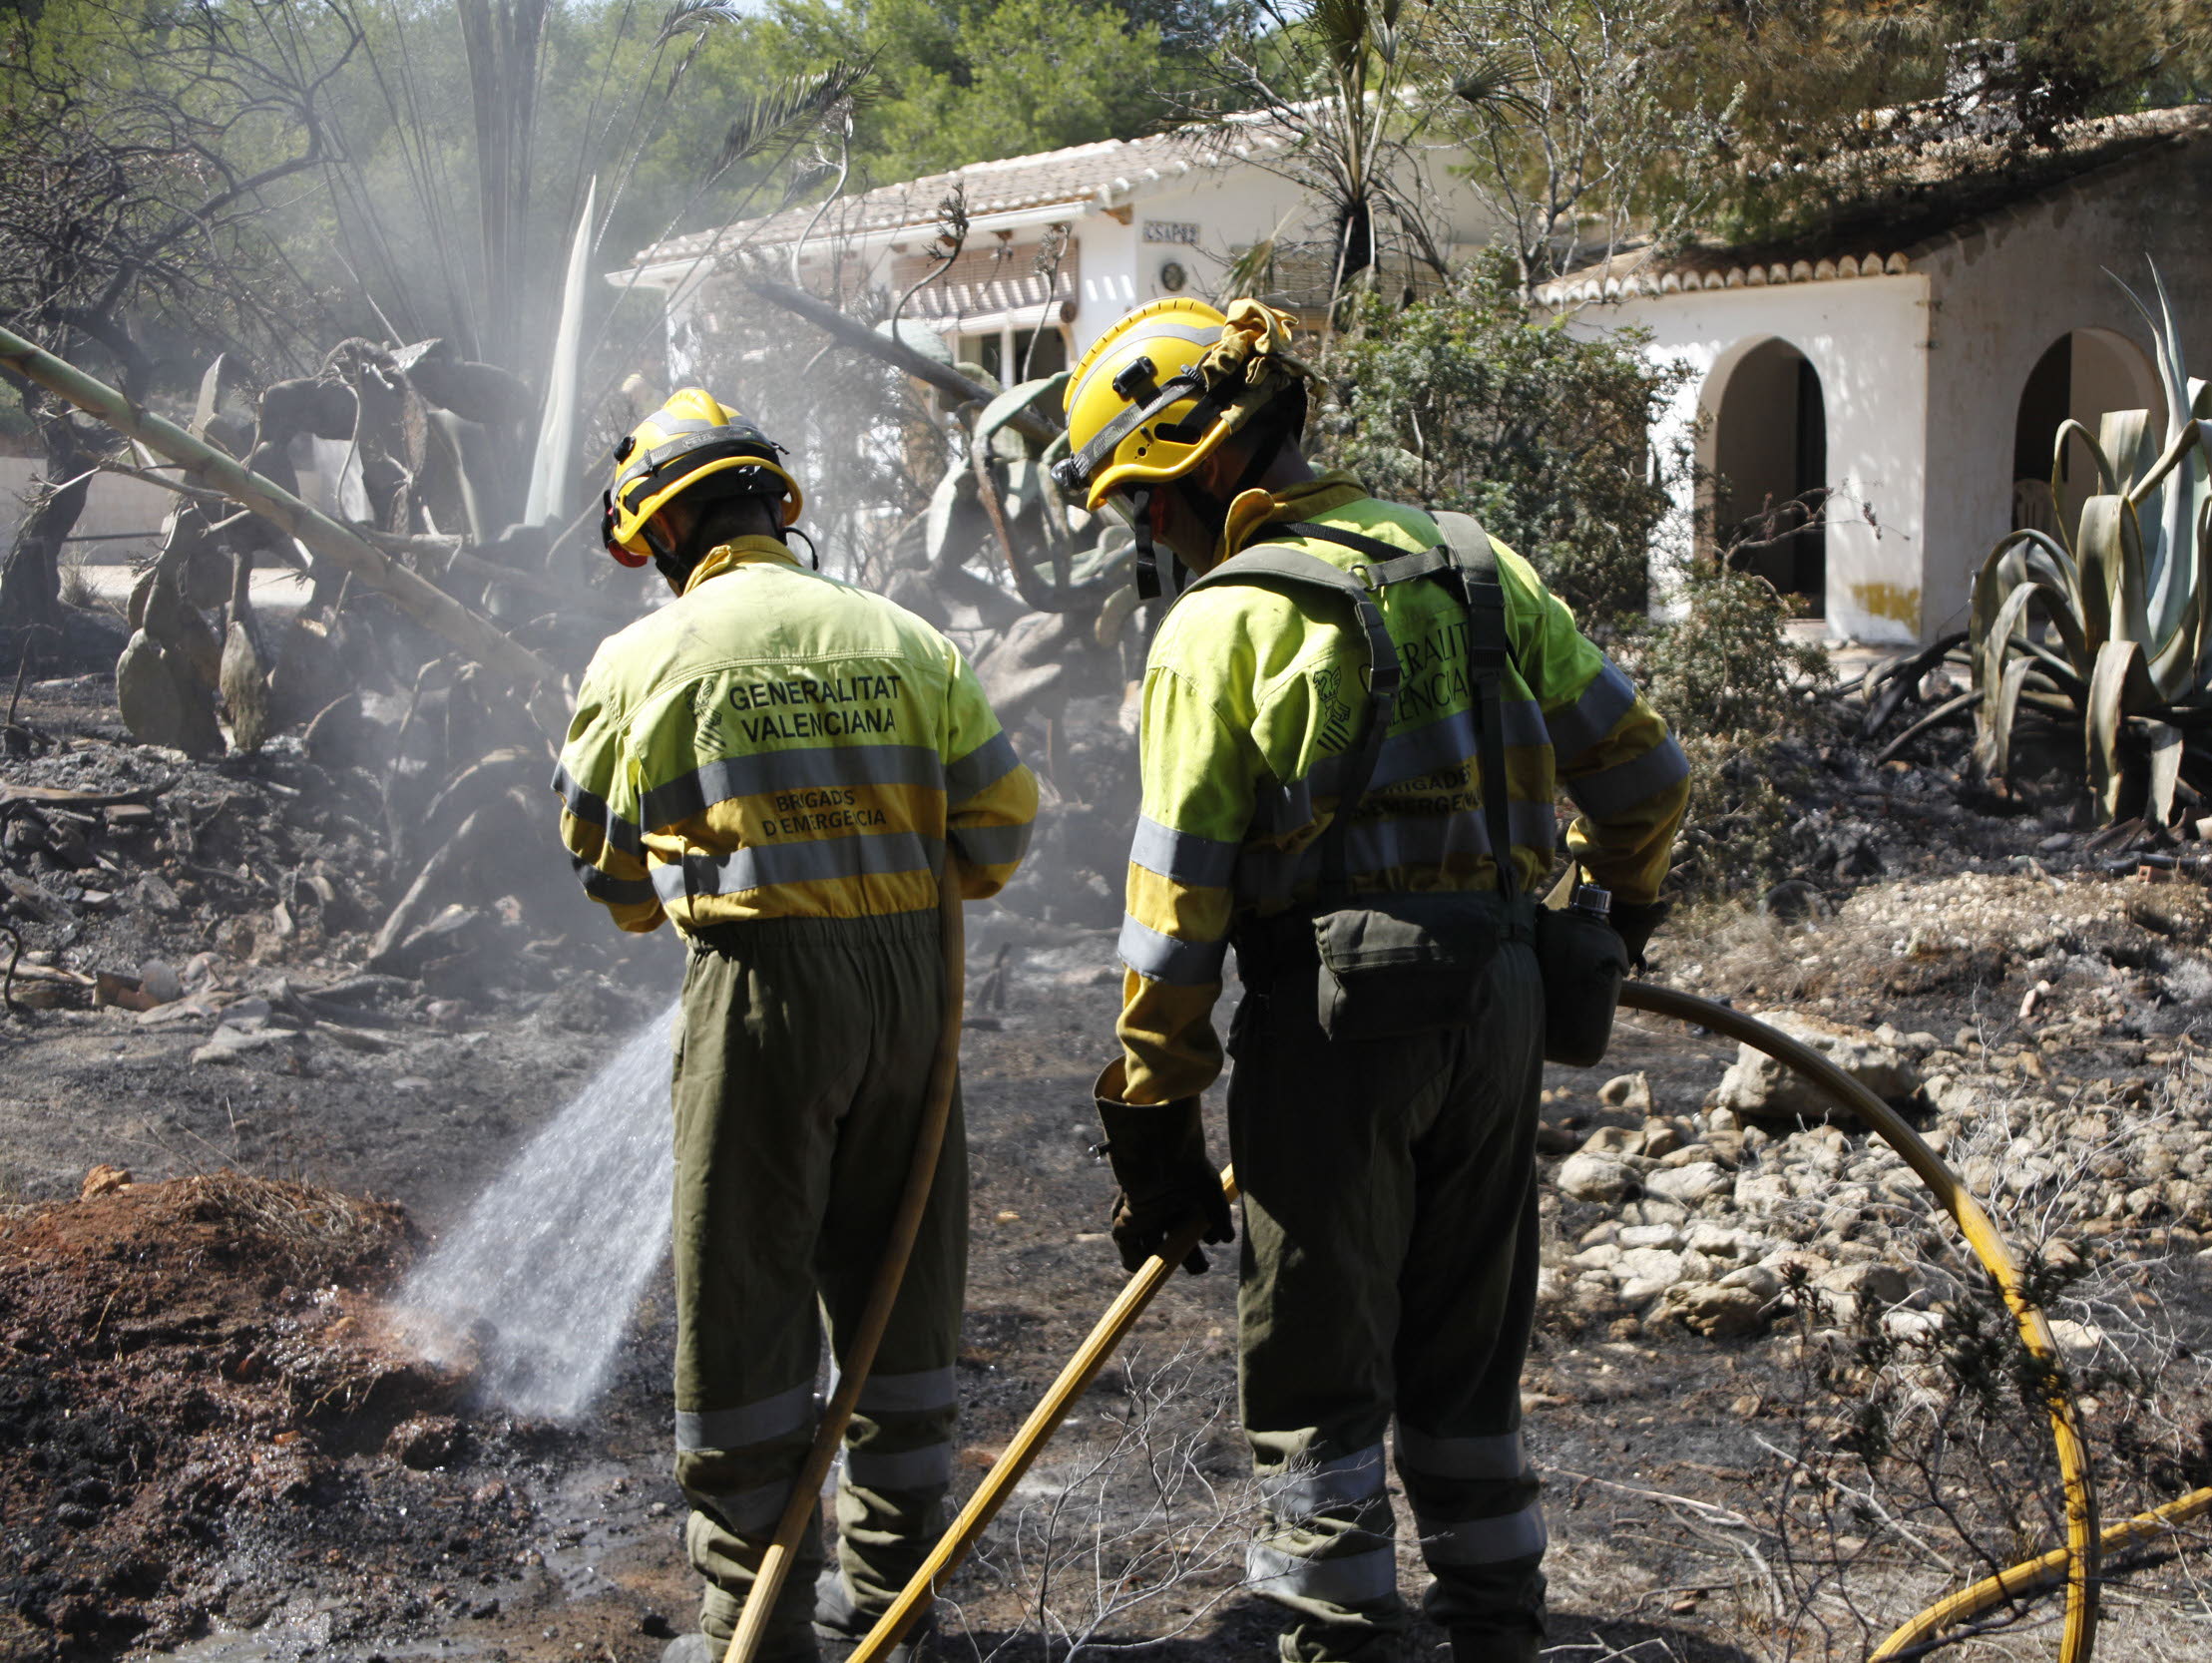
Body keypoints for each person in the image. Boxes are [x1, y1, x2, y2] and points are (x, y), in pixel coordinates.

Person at [1053, 299, 1690, 1663]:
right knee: (1465, 1374)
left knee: (1318, 1396)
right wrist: (1615, 908)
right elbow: (1644, 774)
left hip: (1336, 1033)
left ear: (1214, 465)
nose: (1150, 538)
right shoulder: (1473, 566)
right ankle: (1494, 1637)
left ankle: (1338, 1640)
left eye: (1150, 506)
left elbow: (1176, 915)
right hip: (1503, 1003)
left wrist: (1155, 1106)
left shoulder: (1218, 630)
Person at [552, 388, 1038, 1662]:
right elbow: (996, 835)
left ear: (657, 539)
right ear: (779, 504)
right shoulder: (905, 636)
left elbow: (608, 883)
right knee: (900, 1298)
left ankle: (749, 1631)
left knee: (746, 1303)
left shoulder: (636, 662)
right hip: (912, 997)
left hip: (757, 996)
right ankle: (888, 1608)